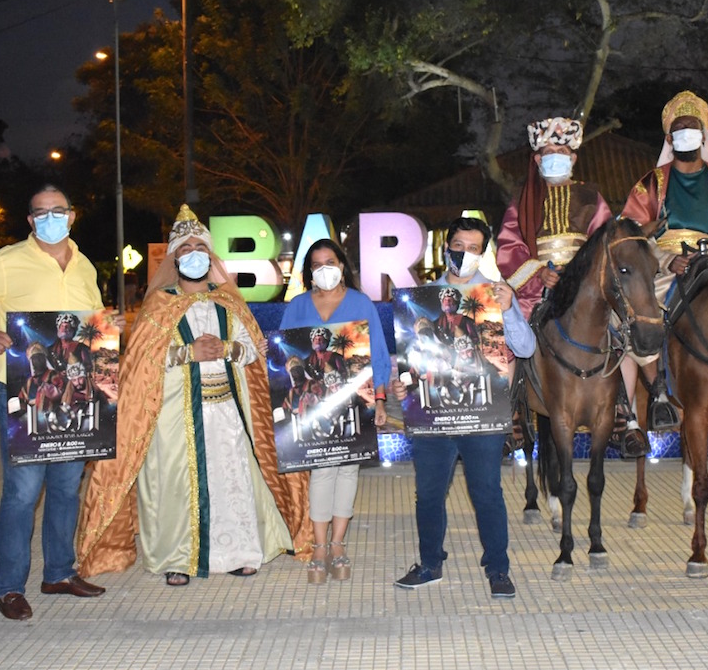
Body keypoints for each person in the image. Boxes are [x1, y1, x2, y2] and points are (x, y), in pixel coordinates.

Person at [76, 205, 310, 586]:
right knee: (174, 483)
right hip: (172, 416)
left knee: (231, 477)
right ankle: (177, 558)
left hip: (227, 412)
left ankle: (238, 552)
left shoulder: (229, 302)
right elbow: (140, 363)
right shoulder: (157, 306)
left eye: (201, 248)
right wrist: (188, 353)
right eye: (186, 250)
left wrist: (227, 349)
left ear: (212, 256)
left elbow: (252, 350)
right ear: (174, 258)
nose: (194, 256)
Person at [0, 184, 122, 621]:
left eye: (58, 210)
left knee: (67, 488)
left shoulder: (84, 265)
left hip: (76, 396)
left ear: (71, 216)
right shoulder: (8, 261)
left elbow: (92, 325)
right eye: (40, 212)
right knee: (22, 493)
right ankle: (9, 588)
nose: (50, 217)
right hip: (25, 392)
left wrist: (109, 324)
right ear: (30, 220)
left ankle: (59, 573)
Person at [394, 217, 536, 599]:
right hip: (434, 413)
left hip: (482, 412)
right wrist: (402, 381)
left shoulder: (494, 295)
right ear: (445, 248)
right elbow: (410, 360)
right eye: (458, 245)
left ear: (483, 252)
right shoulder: (418, 300)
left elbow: (525, 349)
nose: (464, 253)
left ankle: (498, 568)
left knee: (487, 491)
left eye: (473, 248)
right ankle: (429, 563)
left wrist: (508, 310)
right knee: (428, 493)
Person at [619, 90, 708, 436]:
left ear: (704, 134)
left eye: (693, 126)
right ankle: (656, 393)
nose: (687, 132)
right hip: (666, 270)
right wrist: (668, 260)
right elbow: (633, 235)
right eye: (680, 127)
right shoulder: (650, 184)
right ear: (670, 138)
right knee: (637, 320)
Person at [280, 238, 391, 584]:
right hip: (314, 407)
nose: (324, 269)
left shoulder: (360, 303)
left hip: (354, 404)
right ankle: (319, 547)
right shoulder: (298, 306)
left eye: (330, 261)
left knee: (348, 471)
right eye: (316, 264)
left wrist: (382, 401)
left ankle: (339, 543)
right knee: (324, 471)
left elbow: (378, 355)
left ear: (342, 265)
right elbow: (283, 355)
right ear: (309, 272)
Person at [497, 116, 612, 320]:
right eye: (549, 152)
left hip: (585, 286)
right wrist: (540, 274)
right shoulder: (522, 200)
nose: (556, 156)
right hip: (535, 294)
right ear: (538, 159)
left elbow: (606, 241)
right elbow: (509, 248)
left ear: (573, 158)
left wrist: (579, 274)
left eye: (562, 152)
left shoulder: (591, 197)